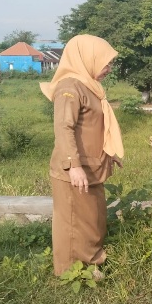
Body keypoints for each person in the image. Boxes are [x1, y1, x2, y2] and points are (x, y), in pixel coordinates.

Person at [40, 34, 124, 278]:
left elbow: (95, 127)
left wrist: (110, 153)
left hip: (92, 167)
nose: (109, 68)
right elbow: (64, 128)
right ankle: (71, 272)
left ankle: (91, 262)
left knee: (92, 219)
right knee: (74, 222)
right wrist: (72, 165)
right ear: (88, 58)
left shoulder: (89, 86)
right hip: (76, 170)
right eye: (105, 62)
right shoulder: (70, 86)